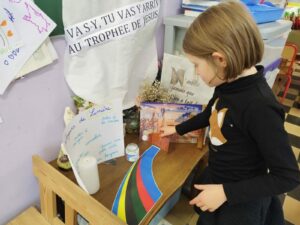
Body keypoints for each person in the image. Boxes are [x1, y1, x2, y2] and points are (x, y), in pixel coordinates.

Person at [160, 2, 300, 225]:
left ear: (220, 59)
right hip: (219, 178)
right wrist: (177, 128)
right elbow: (211, 114)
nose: (195, 73)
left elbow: (287, 176)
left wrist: (226, 193)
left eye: (196, 64)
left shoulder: (260, 107)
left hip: (241, 199)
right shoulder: (227, 83)